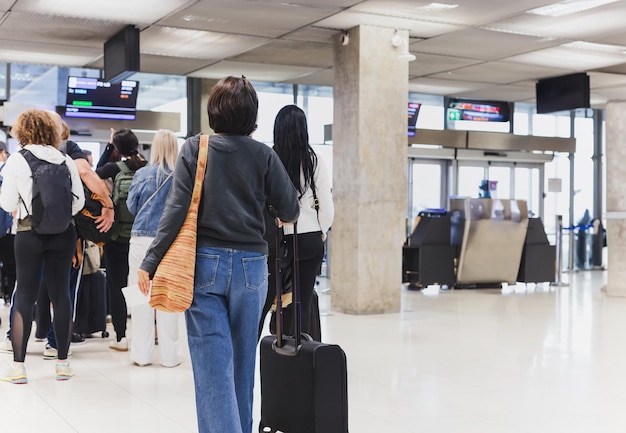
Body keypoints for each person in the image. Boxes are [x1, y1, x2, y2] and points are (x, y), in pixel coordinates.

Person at [137, 76, 299, 433]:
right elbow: (291, 211)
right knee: (242, 361)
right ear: (252, 116)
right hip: (252, 269)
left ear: (214, 111)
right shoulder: (265, 155)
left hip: (204, 264)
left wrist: (150, 261)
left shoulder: (197, 148)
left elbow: (175, 209)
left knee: (213, 368)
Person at [0, 109, 84, 383]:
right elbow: (79, 202)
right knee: (61, 295)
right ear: (52, 131)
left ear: (22, 130)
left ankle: (19, 367)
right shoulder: (66, 159)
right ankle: (62, 363)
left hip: (28, 234)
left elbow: (7, 204)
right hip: (63, 234)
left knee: (24, 293)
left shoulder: (17, 160)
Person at [260, 104, 334, 337]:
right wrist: (322, 230)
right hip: (310, 237)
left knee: (267, 299)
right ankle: (299, 356)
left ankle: (262, 346)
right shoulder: (315, 161)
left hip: (277, 240)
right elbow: (326, 203)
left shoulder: (270, 158)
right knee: (302, 300)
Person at [126, 129, 181, 367]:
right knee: (167, 298)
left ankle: (142, 355)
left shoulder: (142, 174)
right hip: (170, 242)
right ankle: (170, 357)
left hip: (141, 240)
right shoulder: (182, 176)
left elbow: (131, 206)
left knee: (141, 297)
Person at [96, 128, 147, 351]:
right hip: (143, 237)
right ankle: (147, 334)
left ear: (117, 148)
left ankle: (120, 337)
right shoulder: (147, 167)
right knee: (143, 286)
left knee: (117, 286)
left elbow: (95, 173)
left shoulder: (113, 168)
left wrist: (109, 148)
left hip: (117, 237)